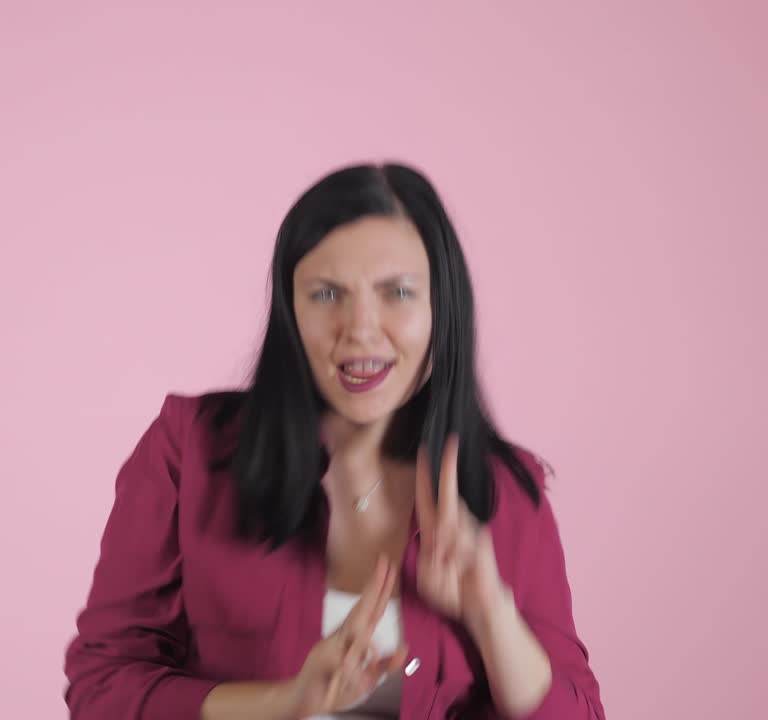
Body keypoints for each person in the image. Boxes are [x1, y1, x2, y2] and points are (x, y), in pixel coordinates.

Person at [63, 163, 604, 719]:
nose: (361, 329)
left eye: (397, 292)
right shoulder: (189, 450)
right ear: (289, 310)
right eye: (326, 294)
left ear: (442, 308)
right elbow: (101, 688)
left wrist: (492, 614)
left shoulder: (508, 492)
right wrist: (283, 704)